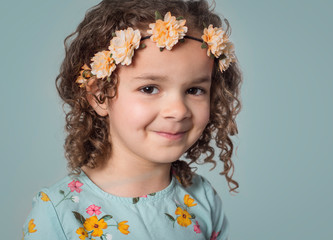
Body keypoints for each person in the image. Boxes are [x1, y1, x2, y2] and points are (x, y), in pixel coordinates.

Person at [22, 0, 242, 239]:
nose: (178, 111)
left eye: (194, 90)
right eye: (149, 89)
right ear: (100, 95)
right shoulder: (58, 213)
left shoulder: (202, 198)